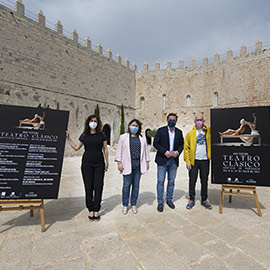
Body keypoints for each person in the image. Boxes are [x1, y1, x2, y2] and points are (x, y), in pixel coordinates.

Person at [66, 115, 108, 221]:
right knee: (88, 187)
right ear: (88, 122)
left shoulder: (102, 135)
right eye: (91, 121)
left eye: (95, 121)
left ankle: (97, 209)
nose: (93, 123)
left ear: (98, 123)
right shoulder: (84, 135)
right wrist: (68, 138)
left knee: (98, 187)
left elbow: (105, 149)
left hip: (99, 164)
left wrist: (107, 162)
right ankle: (90, 209)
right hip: (87, 164)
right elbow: (76, 147)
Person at [115, 119, 150, 214]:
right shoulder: (123, 137)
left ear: (139, 128)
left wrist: (147, 161)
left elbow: (146, 150)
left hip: (138, 165)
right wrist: (119, 162)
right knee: (126, 185)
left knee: (136, 186)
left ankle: (134, 204)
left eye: (136, 126)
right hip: (127, 164)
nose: (134, 127)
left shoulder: (142, 137)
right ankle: (125, 205)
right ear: (129, 126)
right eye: (132, 125)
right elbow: (119, 150)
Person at [153, 113, 184, 212]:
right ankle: (160, 201)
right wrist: (165, 152)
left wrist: (178, 152)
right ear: (167, 120)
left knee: (171, 182)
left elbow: (182, 144)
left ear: (176, 121)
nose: (172, 121)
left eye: (174, 120)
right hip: (162, 160)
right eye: (170, 119)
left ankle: (169, 199)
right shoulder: (161, 131)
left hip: (173, 161)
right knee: (160, 181)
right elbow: (155, 143)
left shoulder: (179, 132)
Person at [184, 114, 212, 210]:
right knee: (192, 180)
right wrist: (187, 161)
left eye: (201, 120)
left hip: (205, 160)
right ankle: (191, 199)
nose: (199, 121)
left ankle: (204, 199)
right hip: (194, 161)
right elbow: (186, 148)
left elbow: (218, 125)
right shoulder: (190, 134)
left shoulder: (208, 131)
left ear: (204, 121)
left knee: (204, 180)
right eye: (197, 120)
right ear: (194, 121)